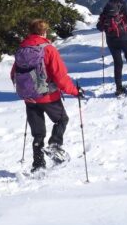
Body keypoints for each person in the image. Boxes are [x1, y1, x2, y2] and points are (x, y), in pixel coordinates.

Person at [11, 19, 82, 173]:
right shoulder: (48, 49)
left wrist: (26, 89)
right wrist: (75, 92)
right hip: (48, 96)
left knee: (38, 133)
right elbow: (60, 77)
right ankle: (54, 145)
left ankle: (38, 165)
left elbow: (13, 74)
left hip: (29, 98)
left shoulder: (22, 49)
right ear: (44, 32)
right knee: (61, 119)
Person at [96, 0, 127, 95]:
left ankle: (119, 89)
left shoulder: (107, 7)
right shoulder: (123, 6)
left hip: (111, 40)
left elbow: (99, 26)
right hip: (125, 37)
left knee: (118, 63)